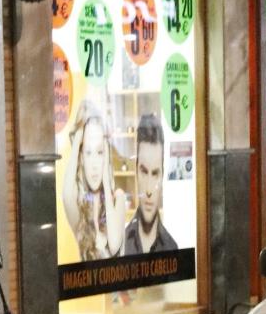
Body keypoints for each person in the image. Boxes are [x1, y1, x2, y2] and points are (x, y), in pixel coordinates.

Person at [61, 108, 127, 261]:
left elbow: (114, 245)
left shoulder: (118, 198)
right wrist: (78, 138)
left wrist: (106, 179)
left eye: (100, 152)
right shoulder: (80, 212)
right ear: (81, 158)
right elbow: (66, 194)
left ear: (107, 155)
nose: (94, 165)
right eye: (88, 152)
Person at [122, 113, 178, 258]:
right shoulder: (121, 247)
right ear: (136, 171)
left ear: (163, 175)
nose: (148, 190)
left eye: (155, 174)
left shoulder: (172, 248)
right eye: (144, 171)